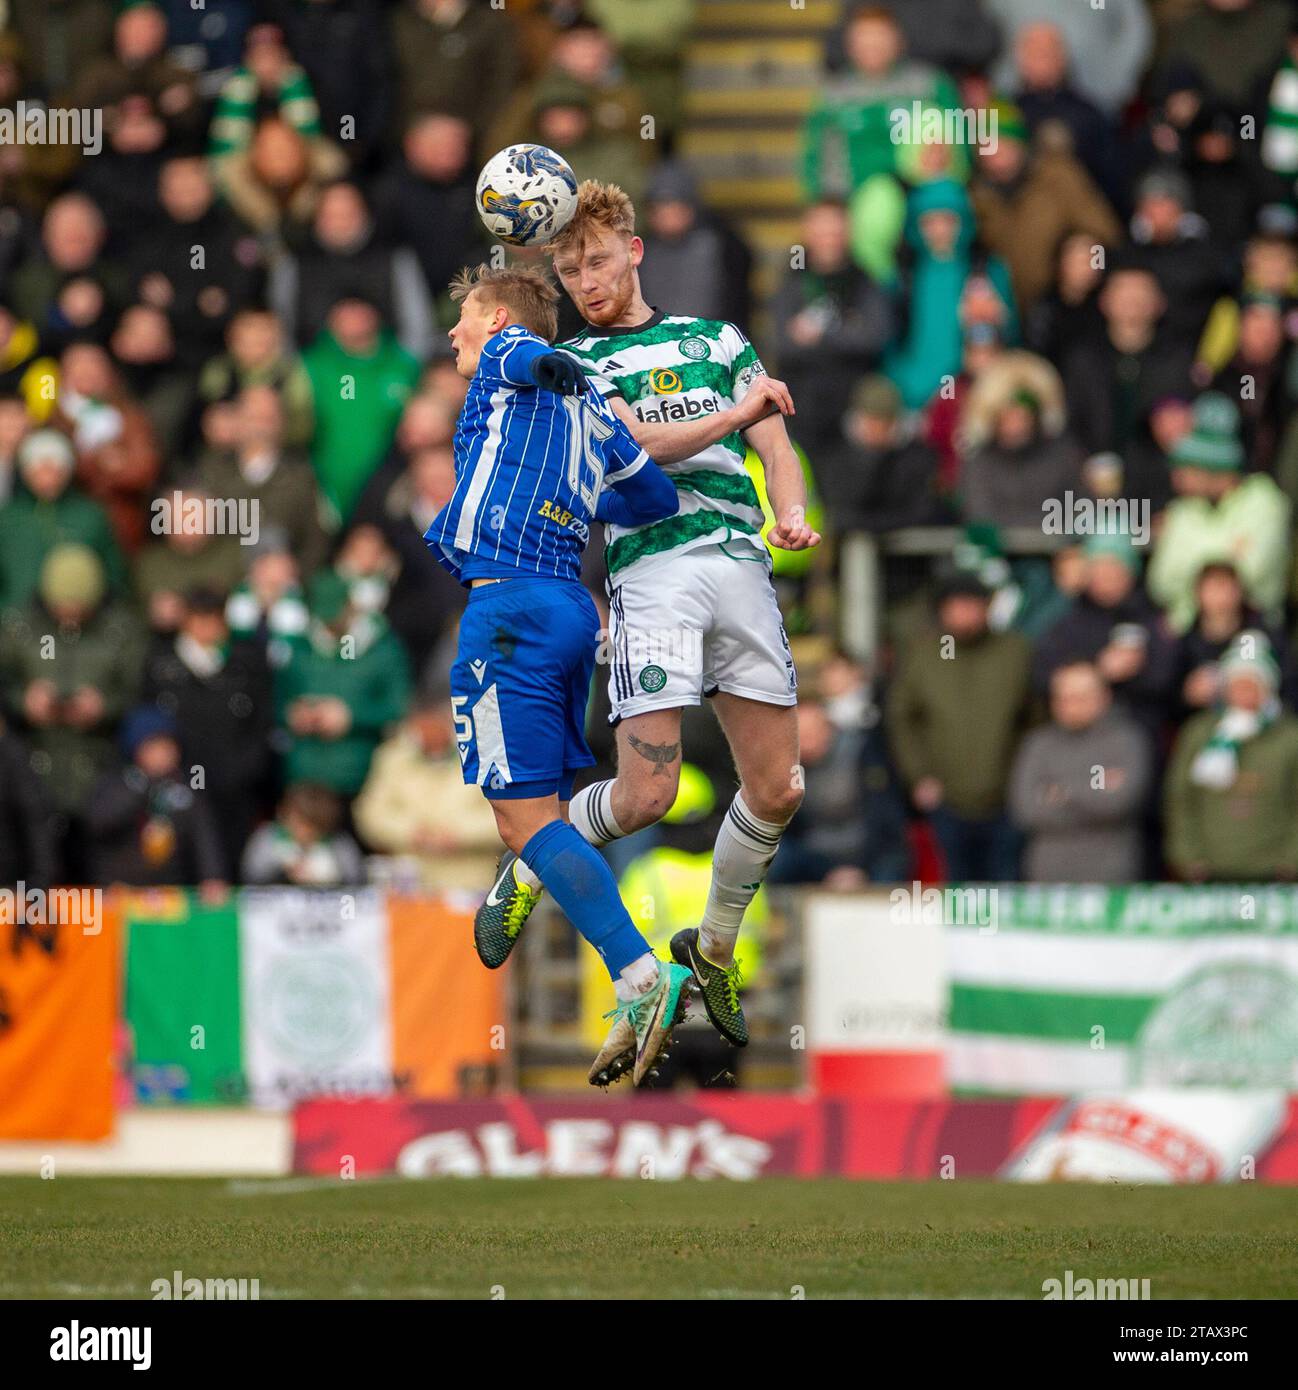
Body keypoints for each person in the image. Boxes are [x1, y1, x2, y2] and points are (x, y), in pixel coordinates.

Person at [536, 180, 817, 1056]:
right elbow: (635, 453)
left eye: (598, 258)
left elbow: (772, 436)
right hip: (653, 566)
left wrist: (790, 509)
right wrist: (735, 413)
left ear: (634, 248)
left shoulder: (715, 337)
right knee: (648, 794)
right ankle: (533, 855)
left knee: (779, 790)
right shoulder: (571, 366)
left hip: (738, 559)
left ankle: (715, 951)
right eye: (569, 267)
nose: (587, 279)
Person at [423, 262, 687, 1088]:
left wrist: (554, 362)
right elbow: (653, 500)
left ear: (498, 319)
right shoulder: (597, 419)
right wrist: (571, 497)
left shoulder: (511, 361)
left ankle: (640, 976)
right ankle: (536, 874)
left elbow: (530, 359)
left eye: (465, 319)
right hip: (574, 606)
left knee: (520, 818)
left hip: (508, 612)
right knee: (544, 814)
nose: (454, 335)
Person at [1008, 661, 1150, 883]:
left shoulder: (1126, 740)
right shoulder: (1038, 744)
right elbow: (1026, 810)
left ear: (1104, 697)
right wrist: (1095, 789)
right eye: (1064, 698)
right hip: (1048, 875)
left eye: (1081, 697)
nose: (1071, 706)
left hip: (1111, 874)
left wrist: (1060, 792)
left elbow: (1121, 802)